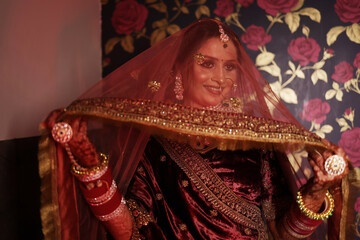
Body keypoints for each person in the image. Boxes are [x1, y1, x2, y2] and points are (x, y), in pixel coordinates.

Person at [39, 19, 354, 240]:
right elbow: (131, 231)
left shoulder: (256, 141)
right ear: (179, 71)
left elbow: (284, 234)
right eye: (207, 63)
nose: (220, 77)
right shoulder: (151, 141)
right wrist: (91, 167)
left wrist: (315, 191)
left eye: (229, 66)